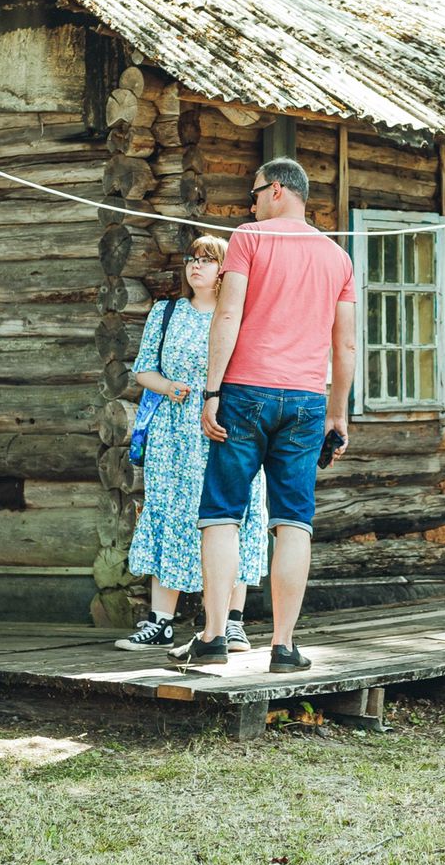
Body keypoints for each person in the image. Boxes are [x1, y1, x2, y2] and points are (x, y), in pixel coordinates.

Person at [188, 158, 356, 673]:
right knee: (293, 522)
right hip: (307, 400)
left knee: (221, 513)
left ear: (278, 190)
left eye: (255, 192)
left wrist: (212, 390)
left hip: (244, 392)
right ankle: (283, 646)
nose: (251, 203)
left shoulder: (249, 239)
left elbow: (228, 313)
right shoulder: (337, 257)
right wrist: (338, 414)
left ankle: (215, 636)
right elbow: (345, 343)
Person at [115, 234, 270, 652]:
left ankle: (231, 621)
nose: (195, 265)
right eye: (192, 258)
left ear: (225, 270)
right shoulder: (166, 313)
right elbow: (144, 369)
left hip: (225, 429)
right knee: (169, 512)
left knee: (235, 517)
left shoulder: (237, 313)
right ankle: (160, 620)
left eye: (207, 259)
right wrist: (168, 386)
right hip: (174, 435)